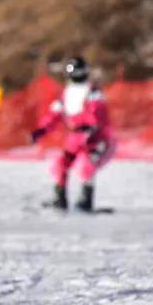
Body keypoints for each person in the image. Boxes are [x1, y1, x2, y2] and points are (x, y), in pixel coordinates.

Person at [31, 57, 114, 211]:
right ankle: (60, 197)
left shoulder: (93, 92)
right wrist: (42, 129)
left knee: (86, 166)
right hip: (75, 136)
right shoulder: (66, 93)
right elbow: (54, 114)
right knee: (60, 164)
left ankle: (86, 199)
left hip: (92, 137)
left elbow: (98, 115)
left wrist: (90, 127)